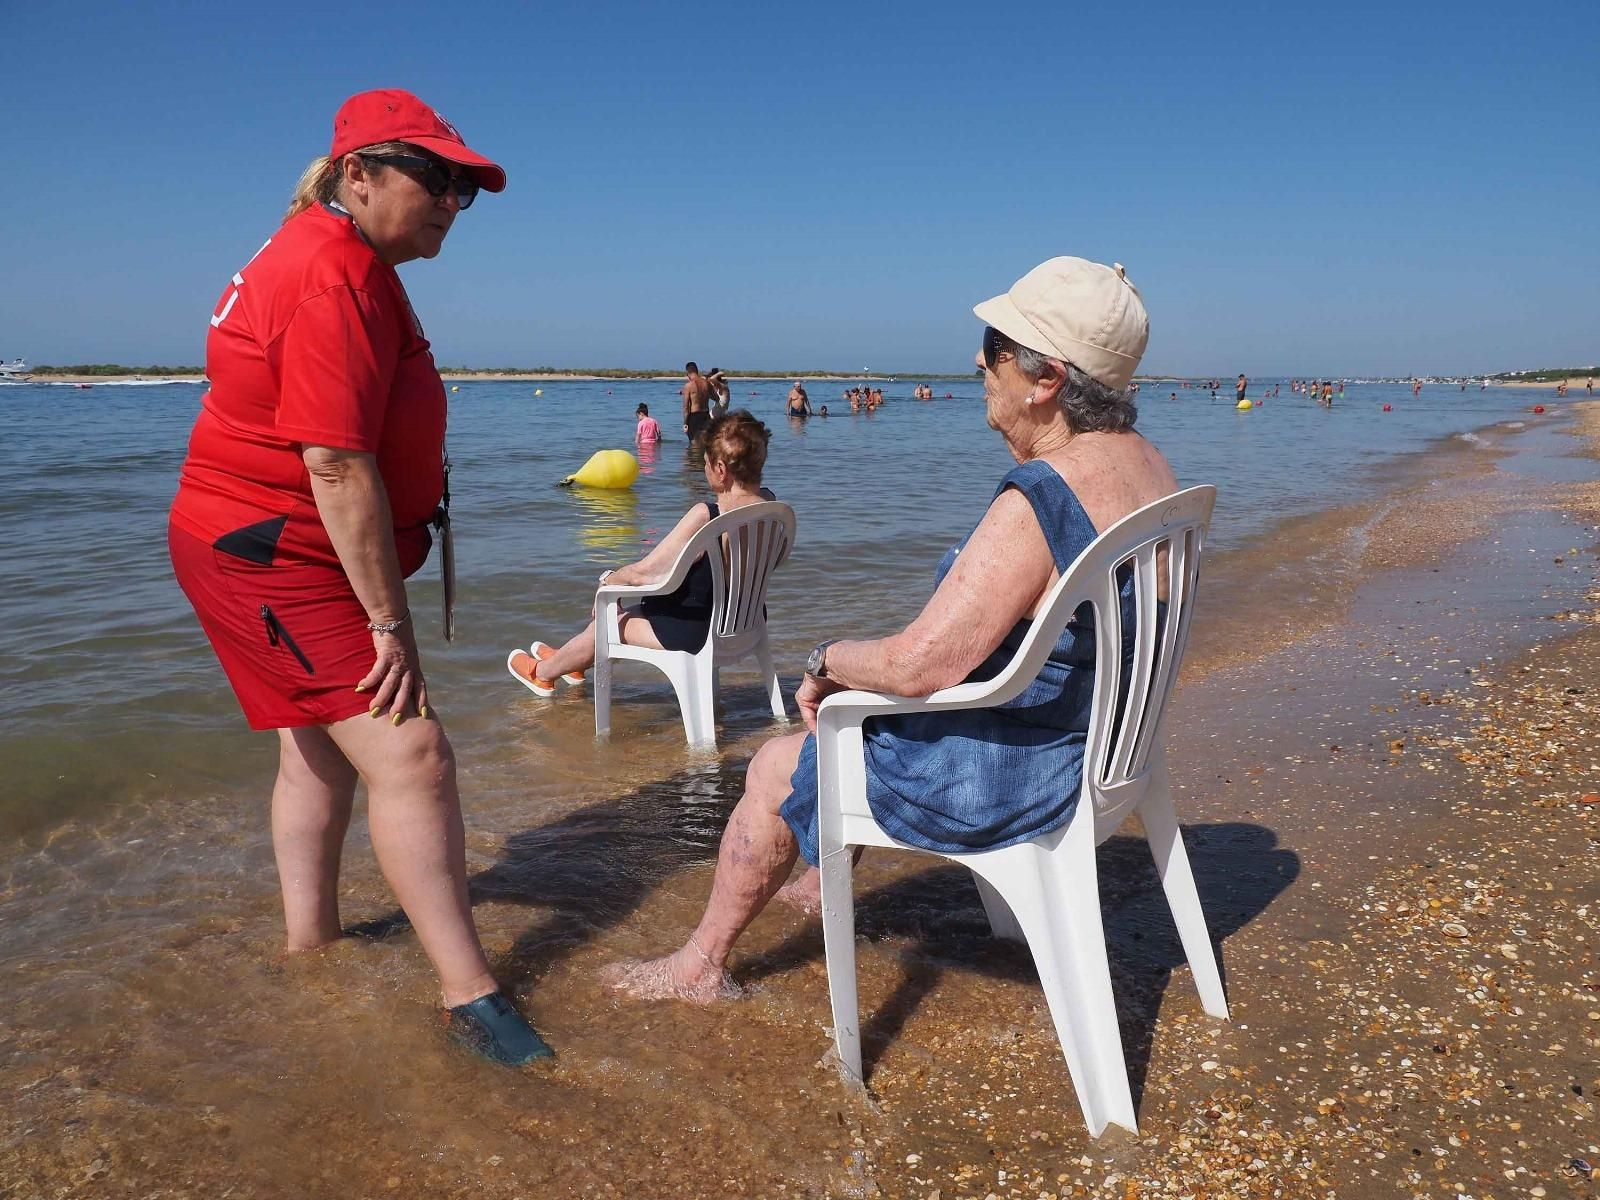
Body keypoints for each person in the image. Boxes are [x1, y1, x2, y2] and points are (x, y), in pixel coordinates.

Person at [601, 255, 1179, 1003]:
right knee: (858, 725)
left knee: (775, 764)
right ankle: (815, 873)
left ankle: (700, 965)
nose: (979, 360)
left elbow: (919, 666)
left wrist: (824, 659)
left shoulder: (1044, 494)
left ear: (1047, 382)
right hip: (1098, 746)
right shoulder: (1148, 465)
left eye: (995, 348)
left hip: (1023, 772)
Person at [167, 89, 551, 1064]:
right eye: (437, 178)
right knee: (413, 753)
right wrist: (389, 624)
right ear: (359, 175)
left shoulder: (345, 256)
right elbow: (334, 463)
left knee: (317, 751)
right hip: (272, 553)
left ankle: (312, 948)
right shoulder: (328, 271)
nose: (452, 203)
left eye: (465, 188)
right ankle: (470, 998)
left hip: (282, 544)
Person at [507, 412, 776, 694]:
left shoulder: (708, 515)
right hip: (746, 623)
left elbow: (646, 573)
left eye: (705, 463)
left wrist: (611, 580)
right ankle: (571, 662)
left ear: (720, 469)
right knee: (626, 616)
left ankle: (542, 673)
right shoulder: (772, 507)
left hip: (695, 632)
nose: (704, 469)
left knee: (612, 620)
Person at [682, 362, 713, 443]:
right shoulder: (707, 383)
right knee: (706, 442)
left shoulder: (688, 386)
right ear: (697, 371)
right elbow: (716, 398)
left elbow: (686, 407)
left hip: (694, 418)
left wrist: (685, 423)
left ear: (687, 373)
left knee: (694, 443)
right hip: (706, 416)